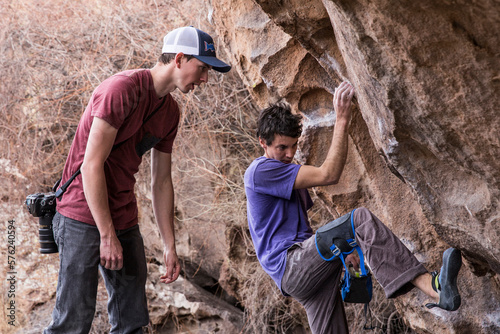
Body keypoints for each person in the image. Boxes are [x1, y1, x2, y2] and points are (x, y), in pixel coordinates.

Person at [45, 26, 231, 334]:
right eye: (202, 68)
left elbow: (161, 182)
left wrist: (169, 246)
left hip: (124, 216)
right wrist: (106, 235)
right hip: (81, 212)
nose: (204, 79)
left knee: (132, 322)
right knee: (72, 323)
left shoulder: (170, 113)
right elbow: (91, 166)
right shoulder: (121, 90)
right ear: (180, 59)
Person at [244, 81, 462, 333]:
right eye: (282, 147)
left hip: (299, 274)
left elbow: (299, 231)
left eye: (294, 145)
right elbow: (329, 174)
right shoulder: (261, 171)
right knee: (358, 220)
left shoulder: (282, 170)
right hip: (291, 266)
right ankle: (433, 287)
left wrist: (342, 250)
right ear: (263, 142)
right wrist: (342, 119)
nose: (290, 153)